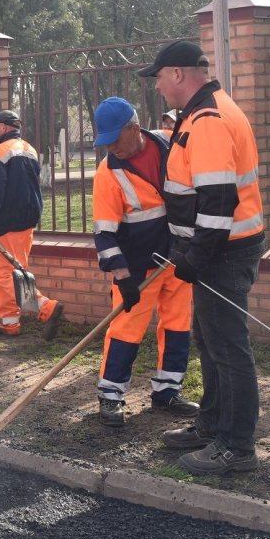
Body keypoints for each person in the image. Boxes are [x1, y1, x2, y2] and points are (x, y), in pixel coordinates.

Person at [139, 40, 266, 475]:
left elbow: (217, 199)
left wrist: (197, 255)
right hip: (217, 249)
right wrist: (185, 246)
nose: (158, 87)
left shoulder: (208, 118)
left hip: (224, 253)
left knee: (228, 349)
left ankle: (237, 447)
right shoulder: (202, 112)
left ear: (177, 73)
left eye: (158, 77)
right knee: (210, 344)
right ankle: (211, 425)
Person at [90, 97, 197, 427]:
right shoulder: (109, 173)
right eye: (104, 140)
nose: (111, 147)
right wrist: (122, 277)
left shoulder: (167, 143)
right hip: (137, 267)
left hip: (178, 257)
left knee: (178, 324)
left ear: (134, 128)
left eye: (114, 139)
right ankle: (110, 395)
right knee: (126, 329)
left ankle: (167, 390)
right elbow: (104, 233)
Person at [0, 110, 63, 339]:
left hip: (8, 220)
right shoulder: (29, 149)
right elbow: (19, 183)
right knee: (14, 270)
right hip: (28, 217)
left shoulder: (0, 151)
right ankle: (9, 322)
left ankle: (46, 307)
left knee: (7, 274)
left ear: (4, 127)